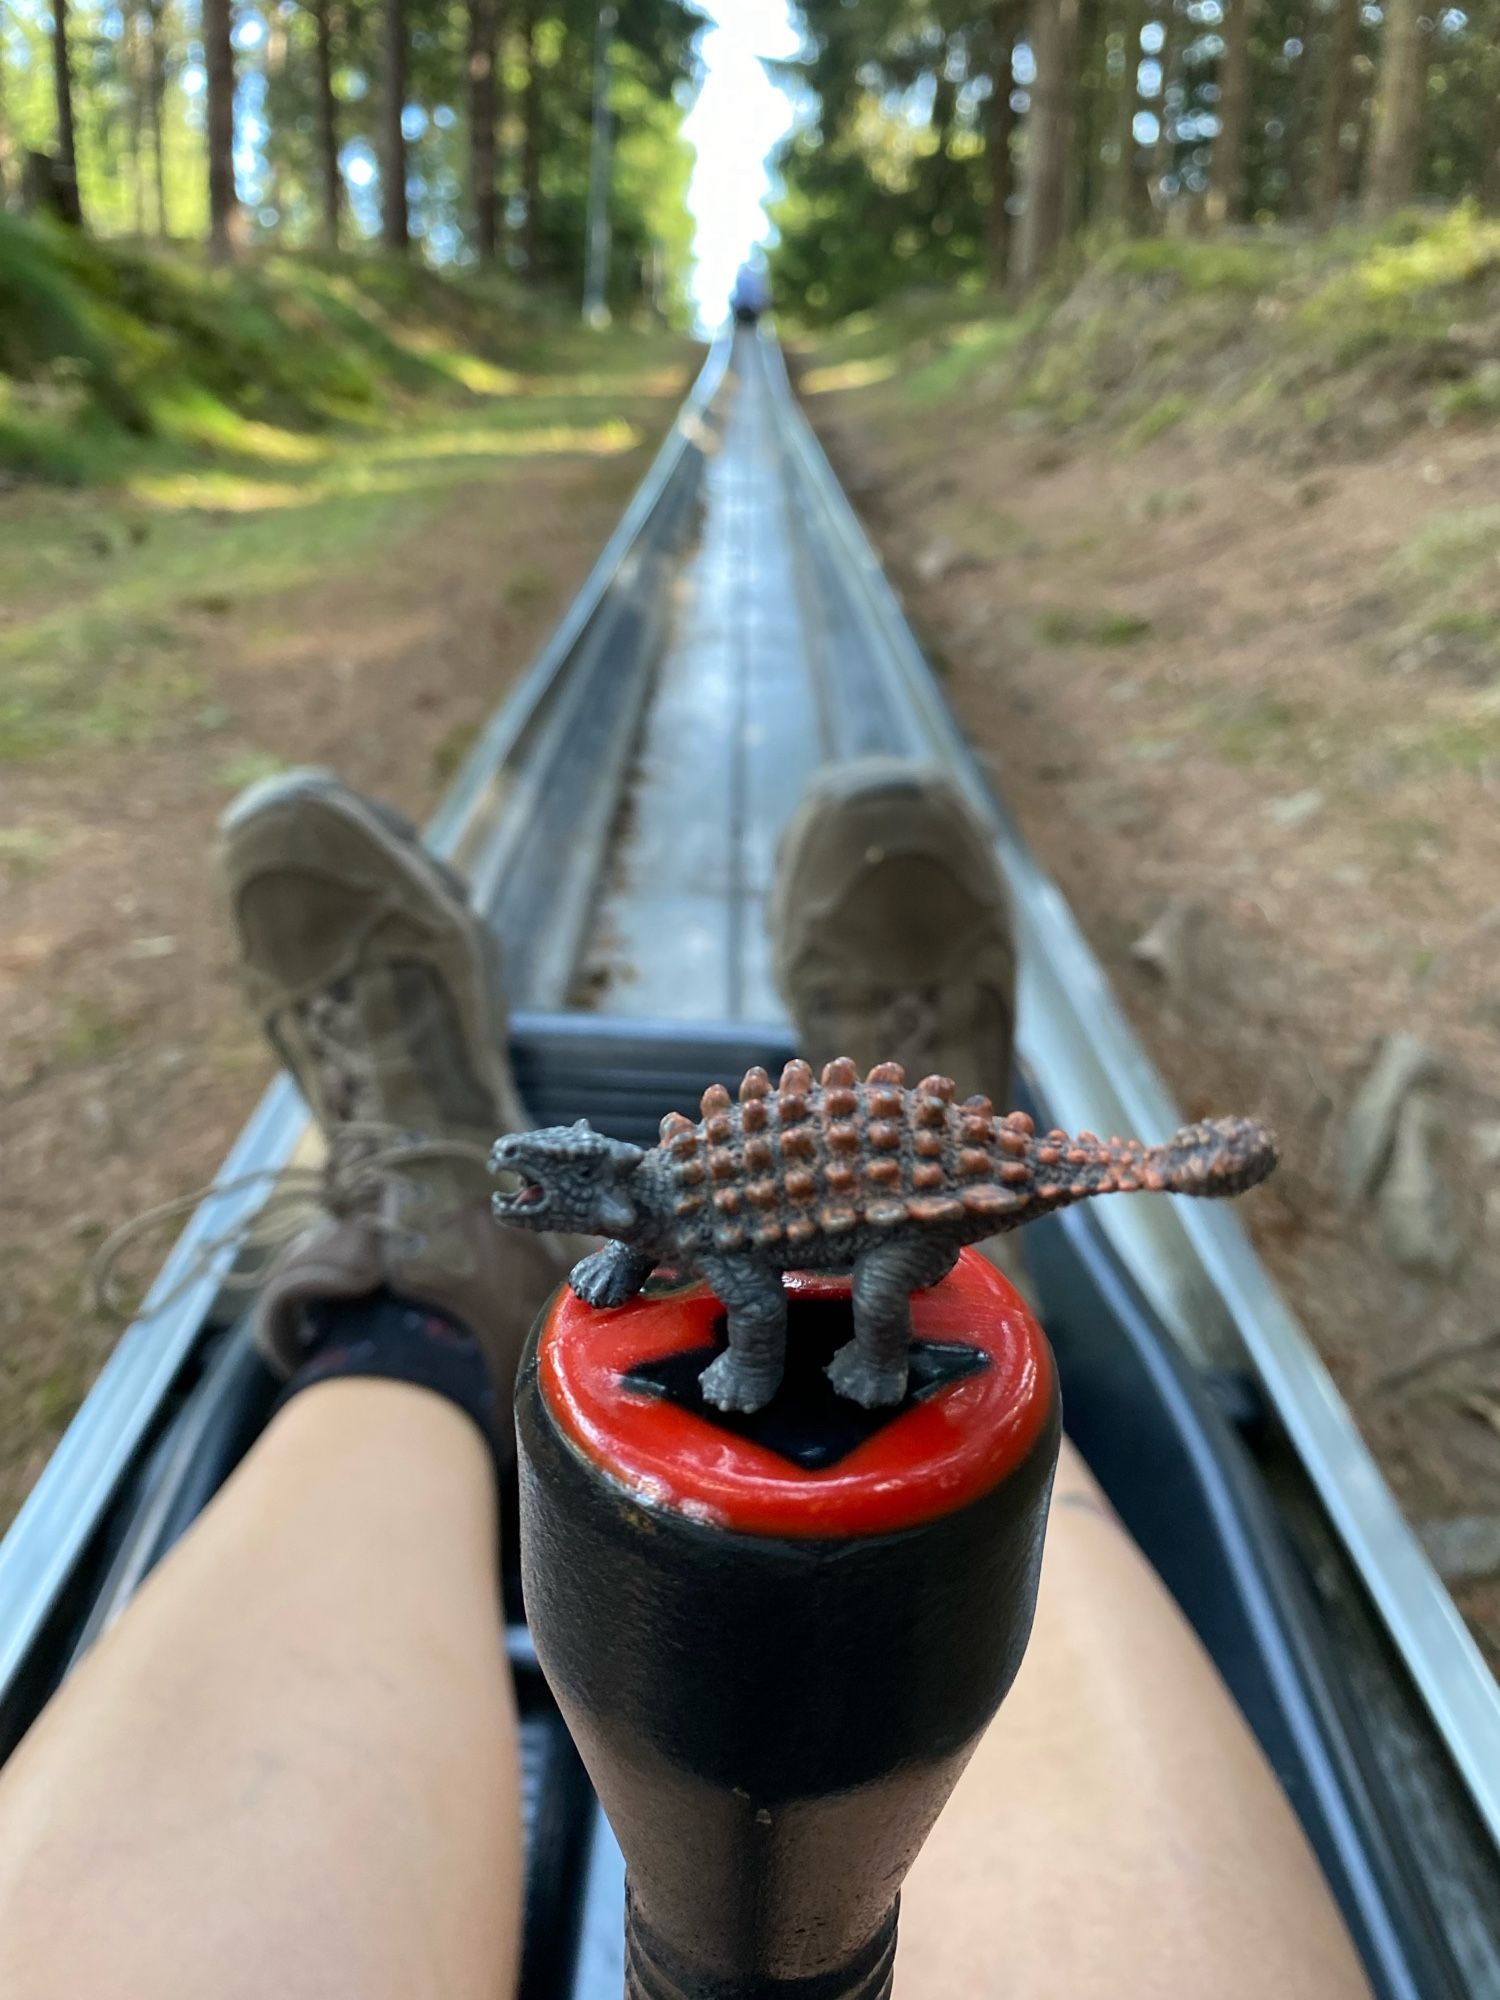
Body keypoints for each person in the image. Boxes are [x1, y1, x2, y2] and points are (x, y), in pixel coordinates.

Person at [0, 763, 1371, 2000]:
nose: (566, 1205)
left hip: (874, 1223)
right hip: (793, 1222)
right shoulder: (662, 1224)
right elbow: (703, 1275)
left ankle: (423, 1328)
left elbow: (752, 1314)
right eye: (535, 1196)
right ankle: (467, 1294)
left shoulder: (692, 1231)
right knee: (972, 1431)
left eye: (546, 1192)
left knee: (898, 1329)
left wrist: (798, 1354)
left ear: (603, 1197)